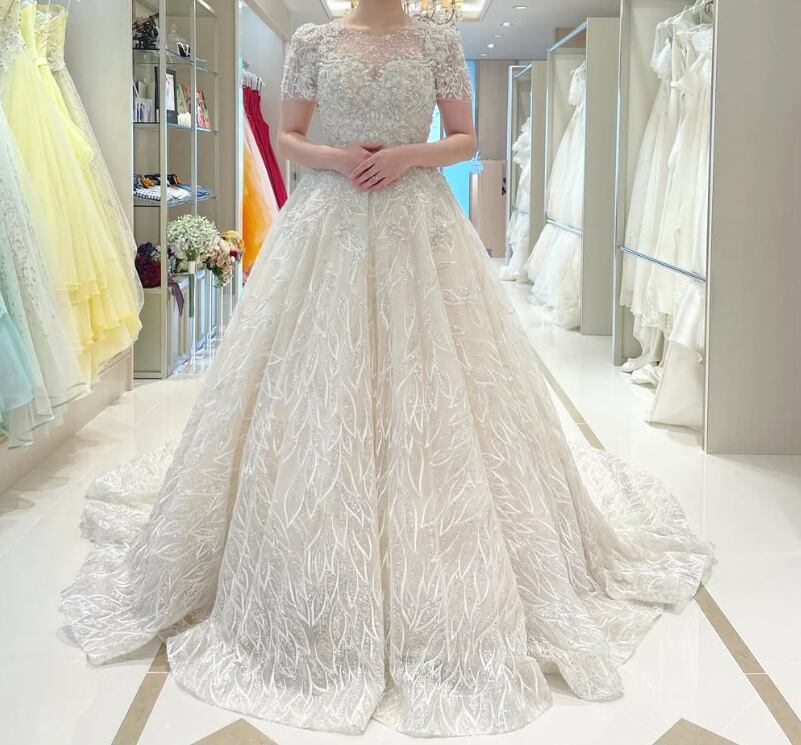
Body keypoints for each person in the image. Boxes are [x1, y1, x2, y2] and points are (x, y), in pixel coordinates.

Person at [61, 0, 713, 736]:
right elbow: (288, 136)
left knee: (436, 386)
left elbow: (465, 138)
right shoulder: (313, 41)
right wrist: (340, 159)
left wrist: (408, 155)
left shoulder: (437, 39)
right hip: (328, 222)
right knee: (316, 385)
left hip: (419, 224)